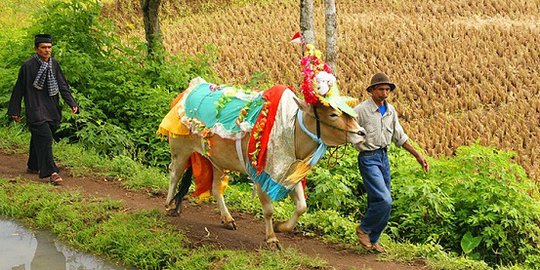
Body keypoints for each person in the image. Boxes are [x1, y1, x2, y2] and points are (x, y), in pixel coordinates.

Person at [353, 72, 429, 253]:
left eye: (387, 89)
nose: (384, 93)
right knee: (384, 200)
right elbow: (346, 128)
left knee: (381, 202)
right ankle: (363, 229)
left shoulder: (390, 111)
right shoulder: (360, 111)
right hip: (368, 158)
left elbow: (399, 137)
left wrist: (418, 155)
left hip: (383, 157)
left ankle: (374, 239)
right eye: (381, 89)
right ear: (371, 90)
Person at [7, 34, 78, 184]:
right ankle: (51, 172)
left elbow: (62, 85)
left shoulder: (54, 64)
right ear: (36, 49)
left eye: (49, 47)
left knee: (41, 136)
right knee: (45, 137)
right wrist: (15, 110)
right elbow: (19, 89)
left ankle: (34, 165)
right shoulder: (28, 66)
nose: (47, 50)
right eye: (43, 47)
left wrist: (71, 102)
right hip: (35, 107)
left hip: (51, 107)